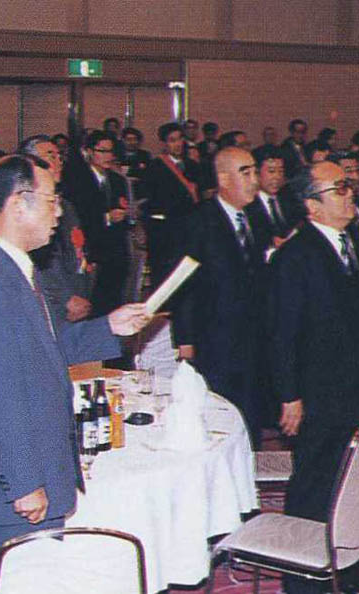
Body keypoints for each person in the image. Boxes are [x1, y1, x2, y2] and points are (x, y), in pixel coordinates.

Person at [0, 155, 150, 594]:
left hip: (39, 467)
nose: (59, 212)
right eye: (51, 200)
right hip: (19, 486)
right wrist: (24, 483)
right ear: (18, 203)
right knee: (19, 582)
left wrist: (109, 327)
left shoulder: (14, 267)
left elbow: (43, 348)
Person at [268, 161, 359, 594]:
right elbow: (281, 333)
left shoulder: (353, 242)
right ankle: (304, 586)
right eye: (338, 188)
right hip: (319, 394)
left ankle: (346, 580)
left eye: (348, 185)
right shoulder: (294, 256)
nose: (349, 193)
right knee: (315, 490)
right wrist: (289, 395)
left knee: (357, 490)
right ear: (311, 205)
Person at [173, 147, 267, 447]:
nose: (255, 180)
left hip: (254, 335)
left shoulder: (257, 217)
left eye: (255, 172)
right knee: (221, 415)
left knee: (251, 412)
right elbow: (183, 284)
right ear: (224, 179)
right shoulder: (199, 221)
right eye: (246, 173)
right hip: (215, 337)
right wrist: (185, 340)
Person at [19, 135, 92, 324]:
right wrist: (65, 297)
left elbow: (76, 250)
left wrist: (82, 288)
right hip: (53, 300)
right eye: (51, 156)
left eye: (60, 156)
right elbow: (40, 260)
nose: (59, 162)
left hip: (76, 290)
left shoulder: (66, 205)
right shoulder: (29, 208)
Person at [63, 130, 130, 316]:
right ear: (90, 152)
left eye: (111, 151)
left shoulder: (118, 180)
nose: (108, 156)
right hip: (91, 250)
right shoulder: (76, 180)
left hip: (115, 251)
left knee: (113, 302)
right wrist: (106, 218)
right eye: (103, 151)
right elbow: (77, 216)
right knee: (92, 304)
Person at [141, 122, 200, 287]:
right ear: (164, 143)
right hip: (165, 230)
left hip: (188, 228)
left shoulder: (193, 166)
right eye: (172, 140)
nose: (178, 144)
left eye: (180, 139)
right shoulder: (154, 167)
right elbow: (148, 199)